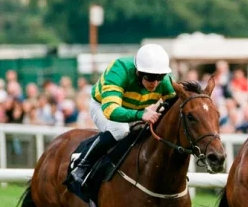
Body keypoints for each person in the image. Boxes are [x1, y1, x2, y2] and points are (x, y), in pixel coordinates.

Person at [67, 44, 176, 190]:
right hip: (102, 106)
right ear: (138, 72)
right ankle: (82, 165)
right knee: (120, 130)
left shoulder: (165, 81)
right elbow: (111, 111)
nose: (155, 83)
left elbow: (177, 104)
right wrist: (141, 114)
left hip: (136, 111)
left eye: (160, 77)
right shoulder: (119, 70)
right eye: (150, 77)